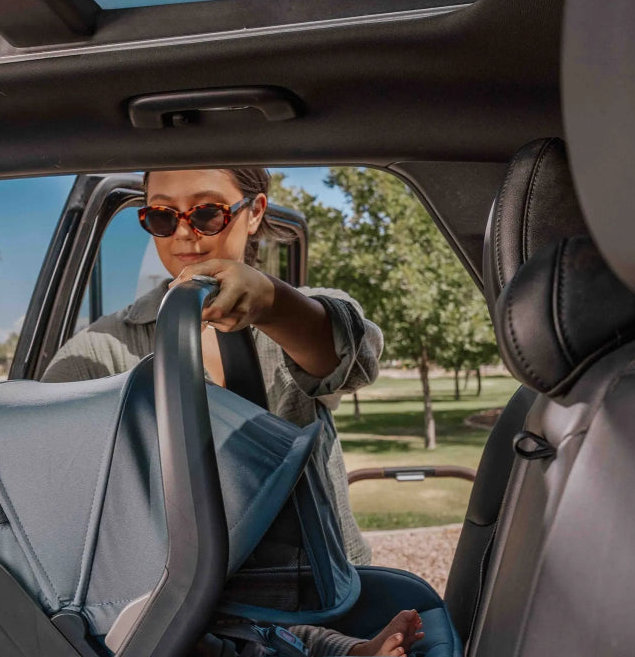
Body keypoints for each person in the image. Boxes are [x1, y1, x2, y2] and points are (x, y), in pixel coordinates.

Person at [43, 166, 383, 568]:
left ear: (255, 212)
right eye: (162, 217)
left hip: (322, 578)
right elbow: (41, 457)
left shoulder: (297, 312)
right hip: (181, 592)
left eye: (206, 213)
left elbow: (352, 356)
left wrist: (271, 305)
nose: (184, 233)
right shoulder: (104, 345)